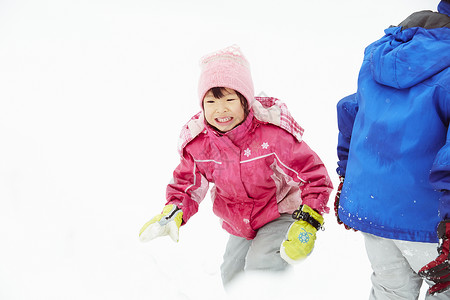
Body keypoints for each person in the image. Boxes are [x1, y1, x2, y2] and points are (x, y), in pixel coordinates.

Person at [139, 45, 333, 286]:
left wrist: (310, 219)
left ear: (245, 101)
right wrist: (174, 211)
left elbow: (313, 175)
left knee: (261, 266)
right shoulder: (200, 145)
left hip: (279, 210)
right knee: (233, 274)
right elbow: (187, 183)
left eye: (230, 100)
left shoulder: (271, 136)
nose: (221, 109)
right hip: (239, 221)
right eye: (211, 101)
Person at [335, 1, 450, 299]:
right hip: (431, 224)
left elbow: (352, 112)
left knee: (390, 291)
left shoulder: (381, 53)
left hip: (374, 211)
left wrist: (348, 178)